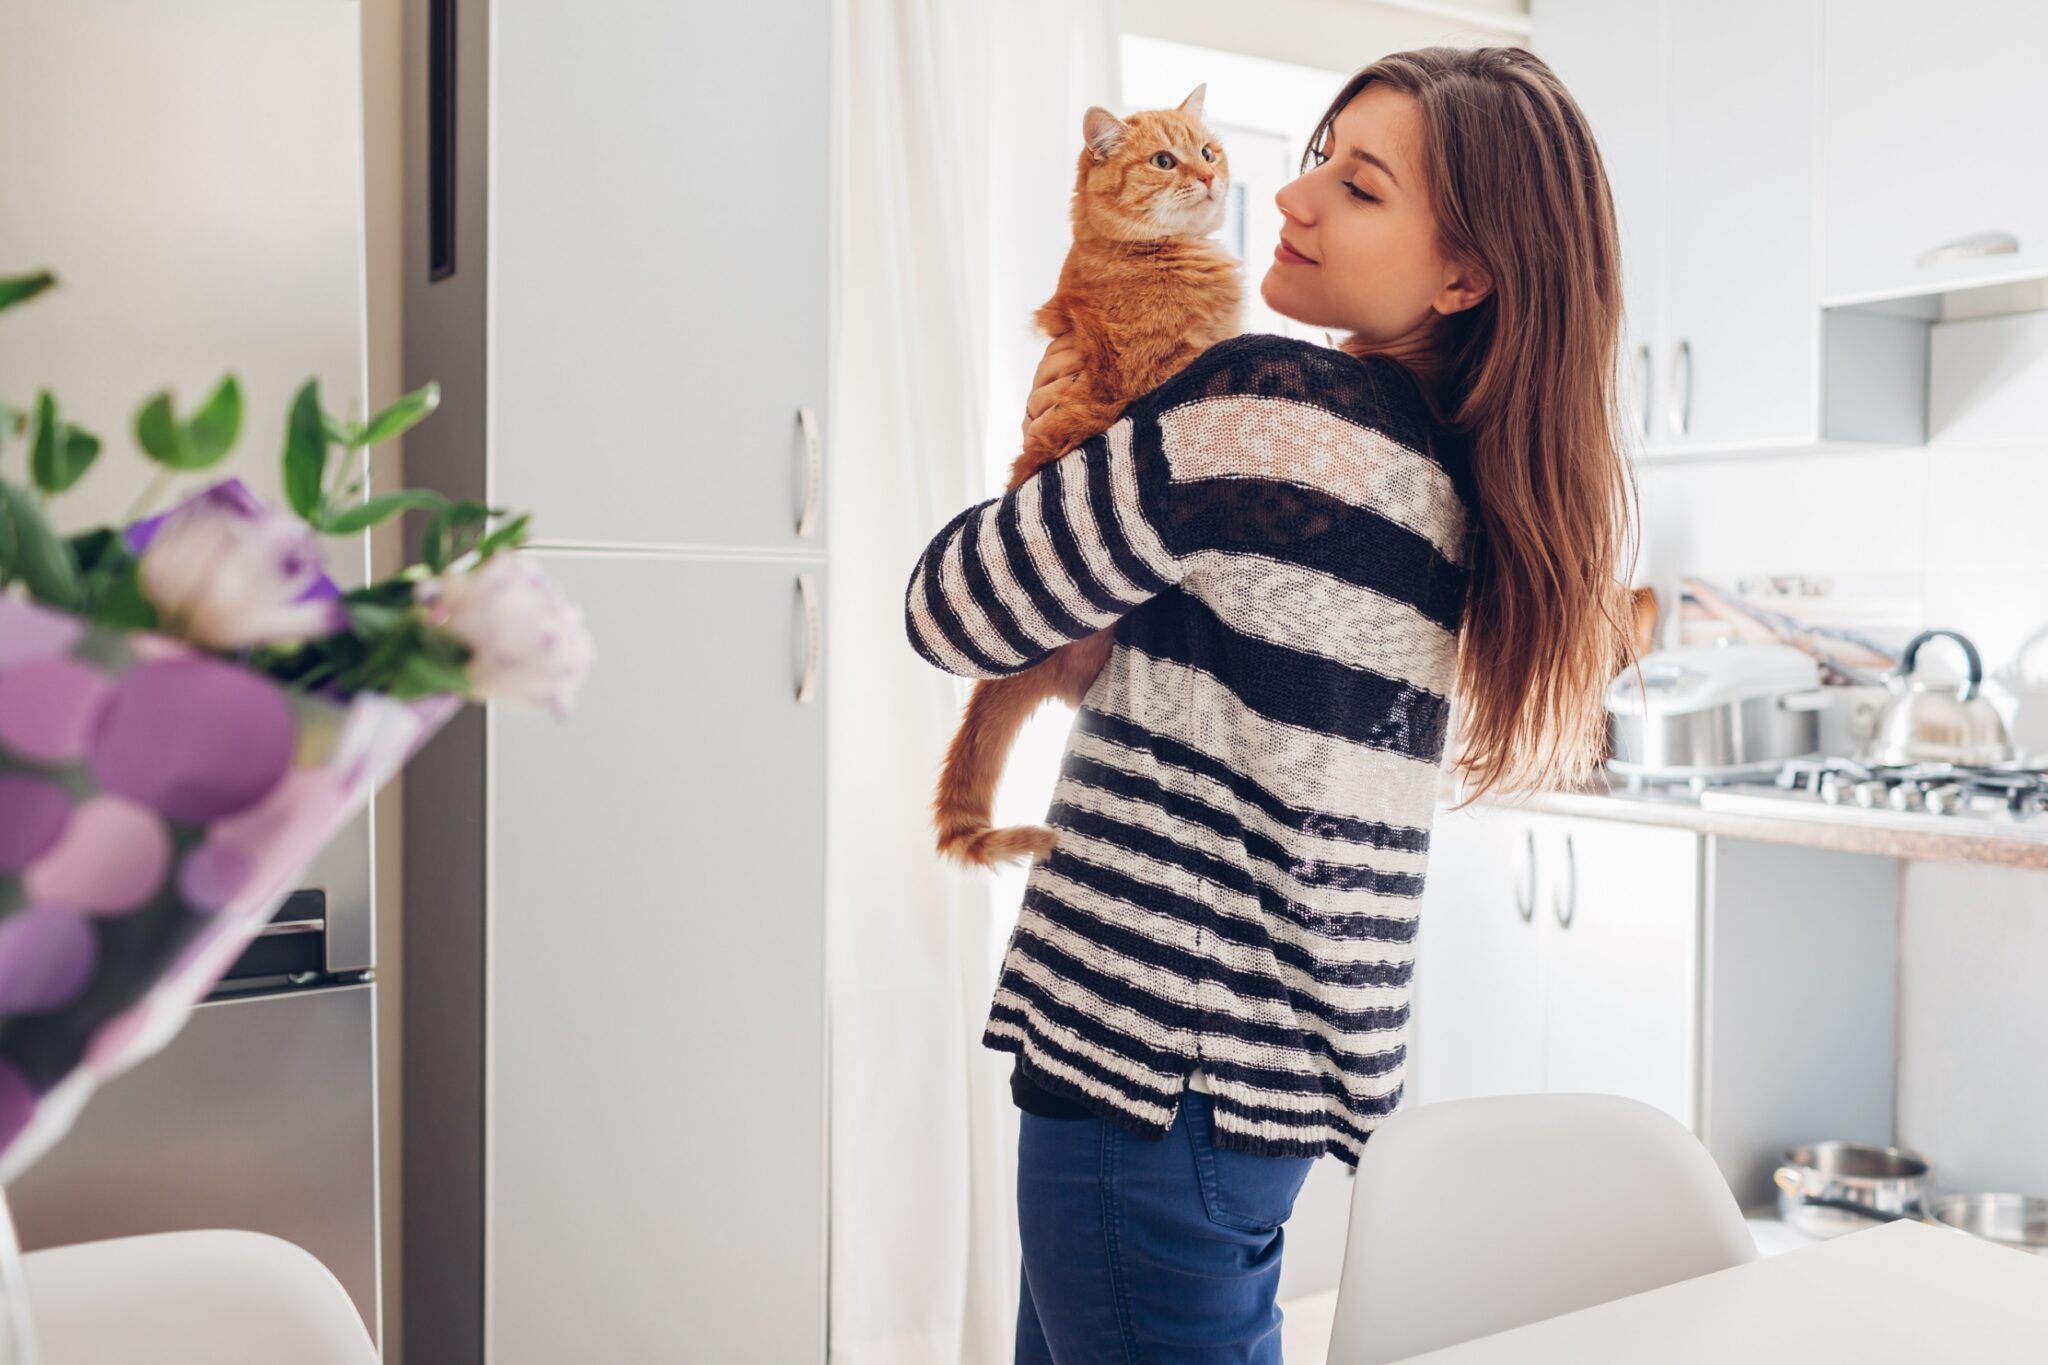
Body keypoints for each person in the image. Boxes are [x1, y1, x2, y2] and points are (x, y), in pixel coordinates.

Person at [903, 45, 1641, 1364]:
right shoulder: (1445, 471)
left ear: (1465, 273)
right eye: (1315, 161)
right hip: (1265, 1098)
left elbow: (952, 604)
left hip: (1143, 1069)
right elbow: (1228, 721)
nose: (1292, 201)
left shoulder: (1268, 404)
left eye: (1359, 189)